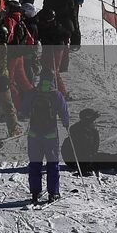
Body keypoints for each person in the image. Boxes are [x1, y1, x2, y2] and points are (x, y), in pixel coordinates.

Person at [21, 70, 70, 204]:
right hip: (51, 134)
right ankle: (53, 192)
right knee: (52, 163)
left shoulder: (32, 93)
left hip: (34, 134)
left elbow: (23, 111)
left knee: (35, 163)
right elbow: (64, 112)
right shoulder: (56, 95)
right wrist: (66, 124)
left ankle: (35, 192)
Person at [62, 108, 117, 180]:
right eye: (93, 120)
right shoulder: (81, 131)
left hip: (87, 158)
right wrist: (85, 167)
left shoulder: (88, 130)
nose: (95, 122)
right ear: (87, 120)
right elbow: (86, 150)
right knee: (113, 161)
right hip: (81, 162)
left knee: (114, 157)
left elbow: (93, 149)